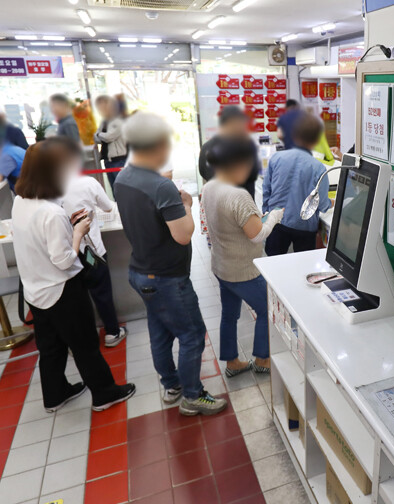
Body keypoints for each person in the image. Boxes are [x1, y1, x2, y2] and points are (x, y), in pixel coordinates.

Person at [114, 111, 227, 417]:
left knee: (160, 332)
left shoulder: (123, 177)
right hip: (167, 277)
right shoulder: (161, 187)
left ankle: (171, 384)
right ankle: (193, 395)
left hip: (140, 271)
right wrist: (187, 205)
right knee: (192, 334)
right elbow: (183, 234)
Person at [12, 138, 135, 412]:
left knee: (50, 346)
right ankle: (104, 394)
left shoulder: (21, 202)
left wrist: (69, 225)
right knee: (85, 345)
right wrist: (78, 231)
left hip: (35, 290)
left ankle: (55, 395)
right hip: (62, 291)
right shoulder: (51, 213)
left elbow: (40, 241)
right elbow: (65, 260)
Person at [201, 136, 283, 377]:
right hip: (244, 270)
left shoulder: (209, 186)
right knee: (266, 308)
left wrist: (260, 218)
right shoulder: (238, 196)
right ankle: (262, 359)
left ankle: (233, 362)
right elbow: (257, 235)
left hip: (222, 266)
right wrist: (275, 217)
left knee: (229, 316)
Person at [62, 168, 127, 348]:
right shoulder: (88, 183)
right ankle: (112, 332)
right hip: (91, 249)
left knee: (75, 298)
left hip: (64, 251)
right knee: (102, 293)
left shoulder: (46, 188)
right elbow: (108, 207)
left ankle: (81, 341)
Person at [263, 113, 330, 256]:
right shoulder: (318, 167)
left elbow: (266, 191)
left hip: (276, 222)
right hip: (304, 226)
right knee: (303, 267)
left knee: (273, 264)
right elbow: (323, 204)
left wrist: (267, 215)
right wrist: (333, 203)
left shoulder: (276, 158)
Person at [198, 106, 260, 198]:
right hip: (240, 203)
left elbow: (202, 171)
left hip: (214, 202)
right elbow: (253, 174)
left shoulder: (206, 147)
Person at [93, 95, 127, 189]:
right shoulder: (104, 121)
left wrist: (99, 135)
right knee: (114, 189)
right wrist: (99, 135)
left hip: (119, 161)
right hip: (108, 161)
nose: (101, 109)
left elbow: (109, 137)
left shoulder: (118, 120)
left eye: (103, 106)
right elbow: (96, 138)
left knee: (122, 190)